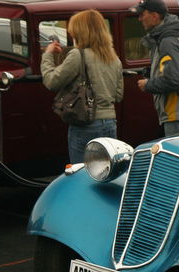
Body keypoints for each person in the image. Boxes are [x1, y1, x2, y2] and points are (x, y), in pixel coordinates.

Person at [41, 9, 123, 164]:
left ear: (80, 32)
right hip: (110, 123)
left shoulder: (78, 54)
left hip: (86, 124)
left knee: (82, 172)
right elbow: (118, 95)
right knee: (105, 172)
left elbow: (52, 82)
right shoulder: (114, 57)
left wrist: (47, 55)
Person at [130, 0, 179, 137]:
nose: (139, 19)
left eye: (142, 15)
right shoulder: (172, 36)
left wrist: (148, 84)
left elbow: (174, 80)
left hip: (178, 115)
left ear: (154, 16)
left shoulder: (168, 41)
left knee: (177, 157)